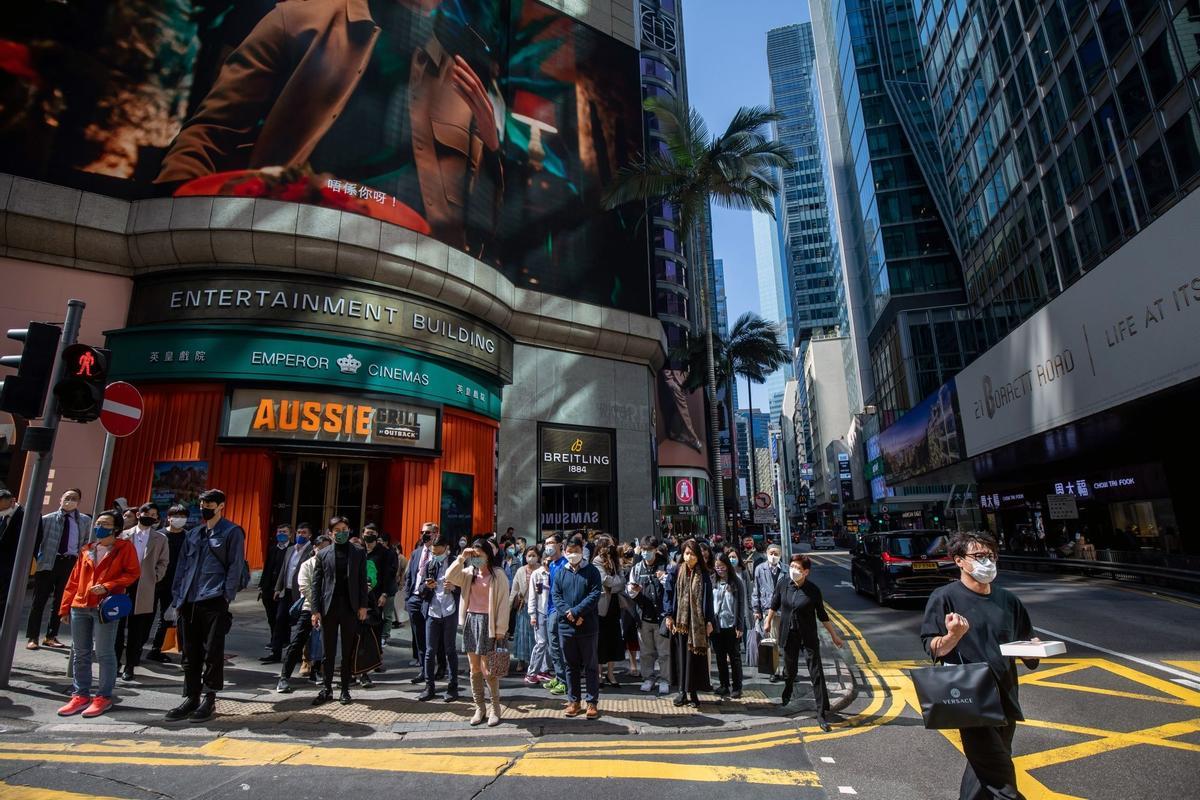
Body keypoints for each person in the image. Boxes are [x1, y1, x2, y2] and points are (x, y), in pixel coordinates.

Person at [921, 532, 1040, 800]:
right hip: (970, 699)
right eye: (979, 556)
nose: (987, 561)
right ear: (959, 561)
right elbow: (932, 648)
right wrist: (953, 636)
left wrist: (1034, 649)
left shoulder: (1008, 600)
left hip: (1006, 696)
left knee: (982, 772)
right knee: (1000, 778)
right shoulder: (944, 598)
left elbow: (1026, 646)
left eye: (991, 555)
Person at [165, 489, 246, 723]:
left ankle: (209, 698)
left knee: (213, 652)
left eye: (209, 503)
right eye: (202, 503)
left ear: (221, 506)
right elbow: (182, 566)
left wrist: (226, 596)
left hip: (213, 598)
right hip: (188, 600)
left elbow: (235, 565)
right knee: (189, 654)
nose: (204, 507)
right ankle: (191, 696)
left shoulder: (232, 532)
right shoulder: (194, 534)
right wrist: (178, 596)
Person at [55, 509, 141, 718]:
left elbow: (132, 573)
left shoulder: (124, 548)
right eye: (98, 523)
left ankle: (103, 696)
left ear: (116, 529)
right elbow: (73, 581)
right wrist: (65, 607)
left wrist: (108, 585)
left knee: (104, 652)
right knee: (80, 652)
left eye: (105, 524)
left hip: (105, 607)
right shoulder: (87, 549)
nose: (99, 527)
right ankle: (80, 695)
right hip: (80, 606)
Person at [764, 554, 845, 731]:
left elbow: (823, 616)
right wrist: (768, 621)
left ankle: (821, 713)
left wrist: (834, 636)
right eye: (792, 566)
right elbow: (774, 603)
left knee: (816, 673)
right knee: (790, 669)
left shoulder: (813, 590)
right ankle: (788, 687)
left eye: (798, 568)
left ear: (806, 572)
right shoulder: (783, 584)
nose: (793, 570)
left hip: (808, 635)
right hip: (789, 633)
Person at [445, 538, 510, 726]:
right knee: (474, 669)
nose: (476, 559)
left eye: (479, 555)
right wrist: (461, 558)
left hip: (489, 624)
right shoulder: (469, 572)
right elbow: (449, 576)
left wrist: (500, 630)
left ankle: (495, 708)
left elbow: (504, 604)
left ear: (488, 555)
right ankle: (479, 707)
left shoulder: (498, 575)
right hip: (471, 621)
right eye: (474, 555)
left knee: (488, 670)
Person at [311, 517, 370, 705]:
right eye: (337, 530)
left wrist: (363, 606)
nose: (341, 532)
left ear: (349, 530)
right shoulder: (323, 554)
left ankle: (345, 689)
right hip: (329, 607)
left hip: (350, 607)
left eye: (344, 529)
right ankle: (326, 688)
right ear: (331, 533)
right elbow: (316, 584)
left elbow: (362, 581)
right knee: (328, 651)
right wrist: (315, 610)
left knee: (347, 651)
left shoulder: (359, 552)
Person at [27, 489, 91, 650]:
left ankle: (51, 636)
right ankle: (33, 637)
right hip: (48, 563)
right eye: (67, 497)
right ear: (60, 499)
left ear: (79, 502)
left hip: (70, 564)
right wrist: (38, 560)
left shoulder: (83, 521)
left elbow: (85, 544)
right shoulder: (47, 519)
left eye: (74, 498)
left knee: (60, 602)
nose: (70, 500)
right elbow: (37, 542)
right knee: (38, 602)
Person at [116, 503, 169, 682]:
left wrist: (155, 576)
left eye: (154, 514)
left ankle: (130, 665)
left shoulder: (160, 538)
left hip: (145, 585)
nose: (150, 516)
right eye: (147, 513)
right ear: (139, 514)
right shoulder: (124, 535)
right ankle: (115, 663)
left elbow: (163, 561)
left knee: (137, 630)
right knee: (118, 627)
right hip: (123, 585)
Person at [552, 534, 602, 719]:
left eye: (577, 551)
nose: (573, 554)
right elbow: (556, 597)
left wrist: (577, 613)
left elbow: (595, 595)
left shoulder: (592, 571)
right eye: (570, 551)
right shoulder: (560, 573)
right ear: (565, 552)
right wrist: (570, 614)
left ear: (583, 551)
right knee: (570, 665)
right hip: (566, 626)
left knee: (590, 665)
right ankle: (574, 701)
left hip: (587, 626)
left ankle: (591, 702)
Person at [277, 534, 330, 693]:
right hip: (309, 608)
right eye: (321, 547)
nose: (324, 551)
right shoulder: (307, 564)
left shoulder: (332, 565)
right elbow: (304, 587)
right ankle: (284, 677)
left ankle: (316, 672)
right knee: (298, 641)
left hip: (327, 609)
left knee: (323, 643)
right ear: (315, 548)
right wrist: (317, 606)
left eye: (328, 548)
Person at [664, 539, 715, 707]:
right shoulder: (675, 571)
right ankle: (681, 691)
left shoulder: (704, 574)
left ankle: (693, 692)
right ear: (682, 554)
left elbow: (708, 599)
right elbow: (668, 594)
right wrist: (668, 616)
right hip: (680, 623)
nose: (689, 557)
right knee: (680, 657)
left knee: (694, 659)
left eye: (693, 554)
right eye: (687, 553)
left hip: (697, 625)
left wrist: (709, 621)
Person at [416, 530, 460, 702]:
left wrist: (455, 587)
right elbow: (420, 589)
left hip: (450, 610)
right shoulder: (429, 565)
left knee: (450, 650)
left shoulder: (456, 563)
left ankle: (452, 687)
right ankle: (429, 687)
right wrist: (428, 586)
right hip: (433, 611)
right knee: (429, 651)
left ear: (446, 548)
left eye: (438, 552)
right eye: (433, 552)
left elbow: (466, 587)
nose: (435, 555)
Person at [627, 536, 671, 695]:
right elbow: (629, 591)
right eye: (644, 550)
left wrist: (664, 579)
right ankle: (648, 678)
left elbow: (672, 589)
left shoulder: (665, 566)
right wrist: (634, 591)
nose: (646, 553)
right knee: (646, 651)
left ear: (655, 550)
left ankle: (665, 679)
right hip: (643, 615)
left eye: (649, 550)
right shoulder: (637, 568)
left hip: (661, 616)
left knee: (664, 652)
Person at [146, 505, 189, 663]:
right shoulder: (159, 536)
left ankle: (157, 649)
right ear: (168, 517)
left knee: (167, 618)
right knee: (147, 616)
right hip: (155, 581)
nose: (179, 519)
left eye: (183, 516)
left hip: (175, 584)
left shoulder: (188, 537)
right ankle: (138, 646)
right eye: (175, 515)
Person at [270, 522, 313, 669]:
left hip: (301, 593)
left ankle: (299, 656)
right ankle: (275, 651)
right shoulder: (290, 550)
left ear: (310, 535)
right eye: (299, 533)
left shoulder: (312, 551)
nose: (301, 535)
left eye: (304, 533)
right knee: (279, 620)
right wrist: (278, 588)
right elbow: (284, 569)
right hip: (286, 591)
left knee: (300, 625)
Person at [362, 527, 398, 683]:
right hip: (359, 597)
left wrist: (385, 594)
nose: (369, 537)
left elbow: (389, 575)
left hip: (376, 598)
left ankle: (375, 661)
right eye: (367, 534)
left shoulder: (386, 553)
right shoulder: (358, 550)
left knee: (374, 631)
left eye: (372, 534)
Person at [404, 523, 437, 683]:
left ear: (435, 534)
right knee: (419, 637)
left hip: (430, 599)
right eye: (422, 532)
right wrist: (408, 597)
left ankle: (436, 668)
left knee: (430, 636)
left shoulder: (438, 553)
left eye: (428, 532)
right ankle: (423, 671)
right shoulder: (416, 553)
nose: (424, 535)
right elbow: (410, 575)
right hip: (414, 599)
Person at [711, 552, 746, 699]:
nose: (720, 569)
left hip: (732, 625)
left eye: (722, 566)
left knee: (734, 657)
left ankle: (737, 687)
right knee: (719, 656)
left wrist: (740, 626)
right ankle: (724, 685)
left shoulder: (736, 582)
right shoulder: (712, 581)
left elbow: (740, 604)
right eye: (717, 567)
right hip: (717, 625)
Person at [593, 539, 626, 687]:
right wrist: (616, 584)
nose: (609, 549)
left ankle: (611, 673)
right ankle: (599, 674)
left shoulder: (616, 561)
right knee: (601, 640)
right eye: (606, 546)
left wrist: (615, 584)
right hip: (601, 606)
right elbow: (605, 580)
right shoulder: (597, 561)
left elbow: (622, 581)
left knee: (614, 639)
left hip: (614, 605)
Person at [258, 523, 292, 663]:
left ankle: (282, 643)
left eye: (284, 532)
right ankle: (275, 640)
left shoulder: (292, 549)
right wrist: (262, 586)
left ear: (290, 534)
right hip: (268, 589)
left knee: (281, 619)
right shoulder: (273, 549)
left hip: (283, 590)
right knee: (272, 618)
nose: (281, 534)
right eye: (279, 531)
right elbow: (267, 569)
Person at [751, 543, 785, 681]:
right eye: (771, 553)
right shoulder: (760, 569)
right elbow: (756, 591)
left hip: (784, 611)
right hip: (768, 610)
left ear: (780, 555)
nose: (773, 556)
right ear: (766, 553)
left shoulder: (786, 570)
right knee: (772, 641)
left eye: (776, 554)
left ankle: (788, 670)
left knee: (785, 642)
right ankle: (774, 671)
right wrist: (756, 609)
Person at [540, 533, 568, 696]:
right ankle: (559, 676)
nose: (547, 546)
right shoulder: (551, 564)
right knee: (554, 646)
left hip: (559, 610)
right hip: (550, 608)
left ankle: (564, 681)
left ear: (559, 545)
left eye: (550, 543)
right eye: (546, 544)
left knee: (559, 647)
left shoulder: (564, 564)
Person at [524, 545, 552, 685]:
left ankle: (544, 670)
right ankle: (531, 672)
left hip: (553, 613)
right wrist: (532, 615)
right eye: (546, 557)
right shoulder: (537, 574)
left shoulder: (556, 572)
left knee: (551, 645)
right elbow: (532, 596)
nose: (548, 560)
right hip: (540, 613)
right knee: (541, 643)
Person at [509, 544, 538, 676]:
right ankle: (521, 661)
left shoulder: (542, 570)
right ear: (525, 557)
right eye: (529, 555)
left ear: (538, 557)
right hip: (523, 606)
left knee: (536, 637)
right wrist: (508, 608)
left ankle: (535, 662)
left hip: (538, 608)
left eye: (534, 555)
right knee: (521, 635)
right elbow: (514, 590)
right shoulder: (520, 570)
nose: (531, 558)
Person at [0, 489, 26, 623]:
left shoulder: (26, 516)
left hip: (13, 565)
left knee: (6, 599)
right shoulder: (1, 513)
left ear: (12, 501)